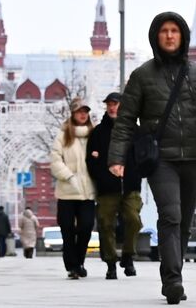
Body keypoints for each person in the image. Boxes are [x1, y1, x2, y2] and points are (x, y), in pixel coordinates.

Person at [109, 11, 196, 305]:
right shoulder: (142, 76)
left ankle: (174, 272)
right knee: (171, 215)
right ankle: (172, 281)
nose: (169, 35)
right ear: (156, 36)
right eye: (163, 30)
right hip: (160, 158)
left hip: (193, 156)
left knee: (184, 221)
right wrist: (117, 157)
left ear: (183, 36)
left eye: (174, 30)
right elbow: (125, 121)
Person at [87, 91, 145, 278]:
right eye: (109, 104)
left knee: (134, 221)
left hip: (130, 186)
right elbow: (91, 160)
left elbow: (142, 157)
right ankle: (111, 263)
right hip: (107, 188)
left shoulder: (134, 130)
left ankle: (128, 256)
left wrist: (135, 173)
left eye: (115, 104)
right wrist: (102, 176)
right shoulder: (98, 132)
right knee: (105, 224)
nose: (112, 107)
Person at [50, 98, 97, 279]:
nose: (83, 114)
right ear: (73, 114)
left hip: (88, 191)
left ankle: (79, 261)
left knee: (86, 228)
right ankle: (72, 266)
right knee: (67, 229)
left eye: (85, 111)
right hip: (67, 192)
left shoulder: (93, 135)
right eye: (79, 111)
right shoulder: (63, 136)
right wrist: (68, 176)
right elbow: (55, 160)